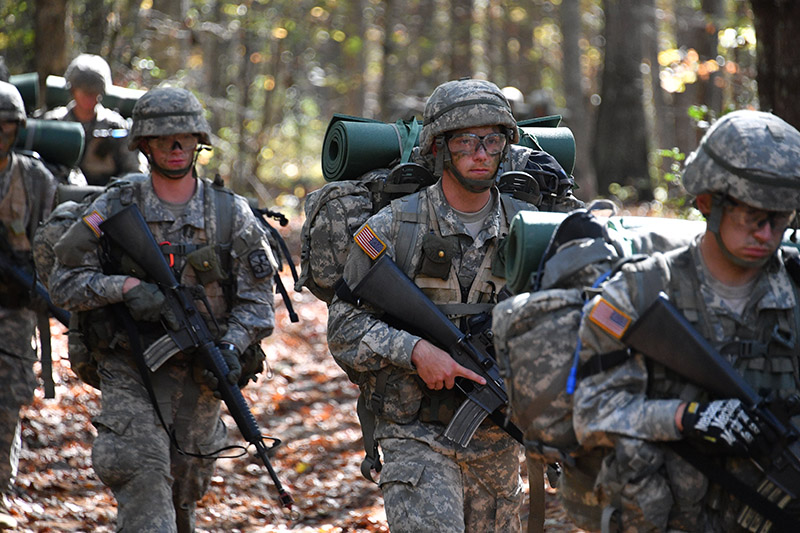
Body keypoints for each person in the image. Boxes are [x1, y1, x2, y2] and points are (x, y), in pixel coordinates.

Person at [327, 78, 580, 532]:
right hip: (413, 434)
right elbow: (342, 326)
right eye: (466, 141)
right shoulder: (393, 224)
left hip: (496, 441)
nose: (481, 153)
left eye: (492, 140)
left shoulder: (530, 227)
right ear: (440, 148)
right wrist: (415, 351)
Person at [47, 86, 277, 532]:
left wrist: (232, 344)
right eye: (164, 138)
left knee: (184, 490)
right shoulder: (114, 205)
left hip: (201, 374)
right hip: (130, 366)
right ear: (144, 145)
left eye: (185, 137)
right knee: (143, 478)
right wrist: (124, 286)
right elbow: (63, 281)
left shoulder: (229, 215)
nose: (176, 147)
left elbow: (258, 301)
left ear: (199, 142)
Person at [572, 109, 800, 532]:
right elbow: (591, 413)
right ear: (708, 203)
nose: (768, 234)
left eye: (781, 218)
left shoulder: (795, 292)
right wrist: (688, 418)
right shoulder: (637, 293)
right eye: (753, 216)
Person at [0, 81, 58, 529]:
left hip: (15, 308)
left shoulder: (34, 178)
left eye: (8, 126)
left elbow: (52, 246)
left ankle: (0, 492)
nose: (0, 133)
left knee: (9, 401)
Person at [43, 54, 146, 185]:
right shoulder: (54, 124)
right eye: (85, 92)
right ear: (73, 90)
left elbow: (135, 171)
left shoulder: (116, 126)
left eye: (94, 92)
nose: (90, 97)